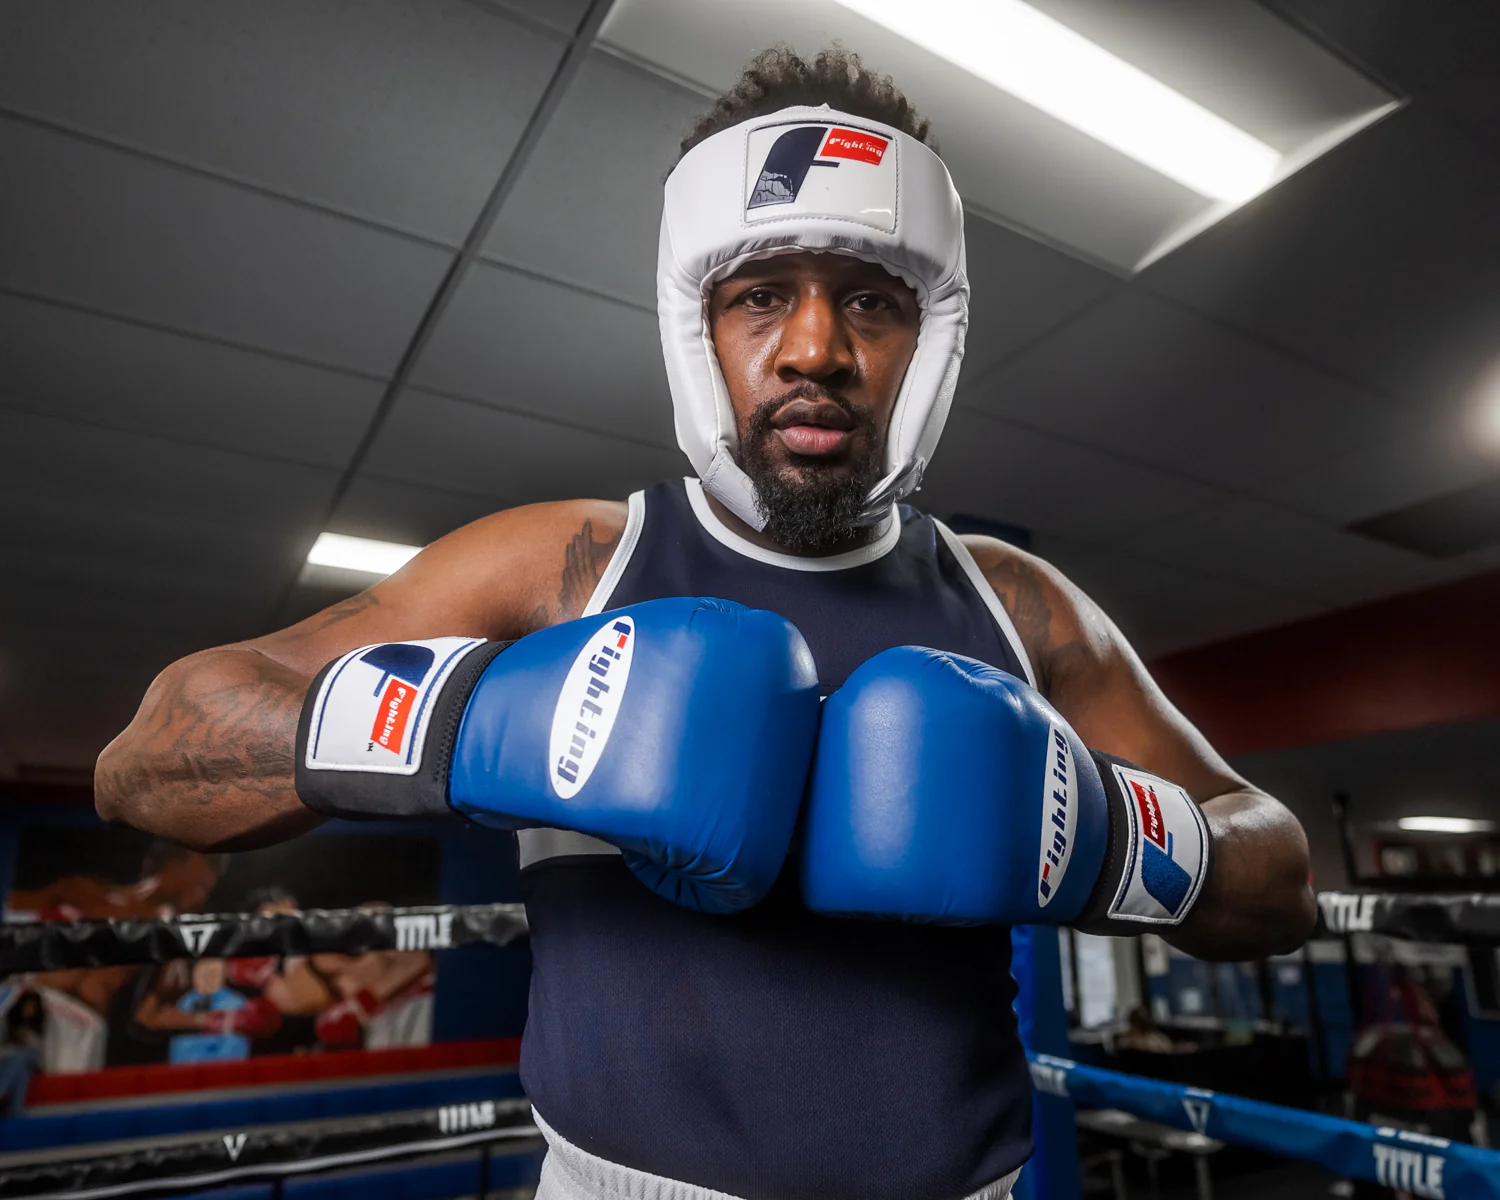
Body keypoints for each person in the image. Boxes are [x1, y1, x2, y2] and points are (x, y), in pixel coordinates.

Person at [95, 46, 1316, 1200]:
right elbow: (147, 758)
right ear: (698, 325)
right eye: (761, 295)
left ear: (929, 337)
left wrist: (1102, 834)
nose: (815, 349)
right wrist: (481, 724)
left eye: (871, 300)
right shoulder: (569, 568)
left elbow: (1280, 877)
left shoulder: (1018, 603)